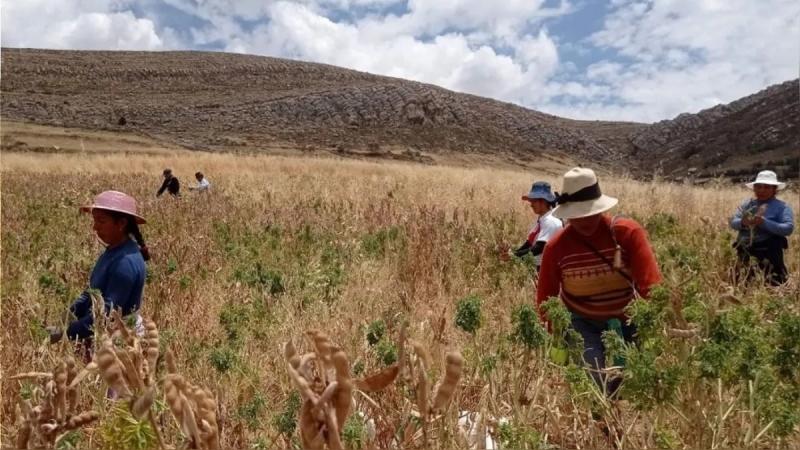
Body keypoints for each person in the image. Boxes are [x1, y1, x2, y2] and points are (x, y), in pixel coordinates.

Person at [536, 167, 662, 397]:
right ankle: (602, 423)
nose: (585, 219)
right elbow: (546, 299)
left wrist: (654, 325)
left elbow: (651, 285)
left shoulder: (627, 233)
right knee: (593, 384)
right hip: (584, 322)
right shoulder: (556, 247)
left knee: (637, 383)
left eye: (590, 212)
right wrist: (558, 335)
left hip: (629, 320)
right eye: (578, 213)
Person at [49, 191, 149, 350]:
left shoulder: (125, 262)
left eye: (101, 221)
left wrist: (63, 333)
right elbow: (92, 292)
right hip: (104, 335)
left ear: (121, 223)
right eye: (94, 220)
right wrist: (67, 315)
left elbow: (106, 315)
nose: (95, 227)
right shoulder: (114, 251)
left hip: (121, 343)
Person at [730, 170, 794, 285]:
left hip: (769, 253)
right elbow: (733, 222)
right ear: (754, 188)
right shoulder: (747, 204)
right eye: (758, 187)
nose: (761, 190)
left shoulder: (782, 207)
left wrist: (764, 222)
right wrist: (743, 222)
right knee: (742, 283)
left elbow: (788, 228)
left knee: (773, 284)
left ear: (775, 189)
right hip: (745, 251)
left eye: (767, 187)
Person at [510, 181, 563, 269]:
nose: (531, 205)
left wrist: (514, 256)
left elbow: (539, 248)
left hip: (547, 269)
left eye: (533, 201)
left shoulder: (551, 222)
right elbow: (529, 243)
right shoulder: (541, 220)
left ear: (543, 202)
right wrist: (513, 253)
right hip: (538, 268)